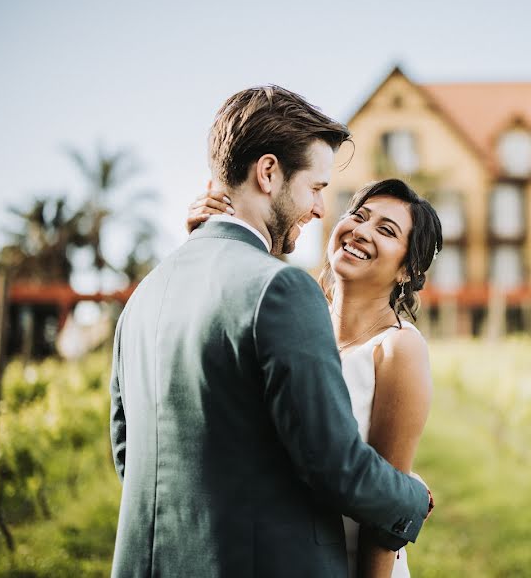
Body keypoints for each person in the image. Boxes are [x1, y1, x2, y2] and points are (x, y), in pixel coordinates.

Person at [109, 85, 433, 578]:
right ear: (268, 173)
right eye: (317, 188)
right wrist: (410, 495)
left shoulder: (146, 294)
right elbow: (333, 464)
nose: (322, 210)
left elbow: (129, 453)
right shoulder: (282, 293)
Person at [187, 178, 442, 577]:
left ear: (408, 269)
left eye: (386, 230)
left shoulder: (398, 349)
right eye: (358, 216)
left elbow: (383, 507)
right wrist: (210, 242)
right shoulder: (293, 322)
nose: (361, 231)